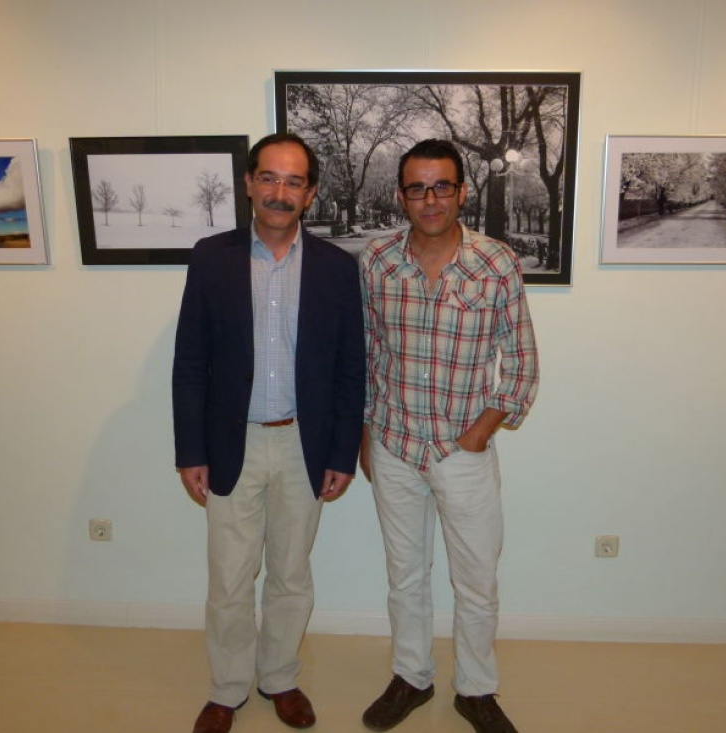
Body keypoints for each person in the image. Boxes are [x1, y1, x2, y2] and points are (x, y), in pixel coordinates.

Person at [173, 132, 366, 733]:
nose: (280, 192)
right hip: (232, 444)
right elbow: (190, 362)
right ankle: (227, 687)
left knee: (290, 573)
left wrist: (342, 452)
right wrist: (190, 451)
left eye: (294, 181)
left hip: (304, 444)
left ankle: (279, 676)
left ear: (310, 193)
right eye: (270, 178)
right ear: (250, 182)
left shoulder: (338, 268)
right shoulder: (212, 257)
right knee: (229, 577)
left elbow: (349, 367)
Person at [357, 139, 539, 733]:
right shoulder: (378, 261)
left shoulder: (497, 262)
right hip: (393, 443)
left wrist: (482, 433)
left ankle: (476, 688)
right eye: (417, 188)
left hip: (463, 450)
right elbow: (364, 353)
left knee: (476, 577)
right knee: (404, 574)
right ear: (401, 195)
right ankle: (411, 676)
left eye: (441, 187)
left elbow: (522, 363)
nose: (430, 199)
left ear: (463, 191)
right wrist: (365, 431)